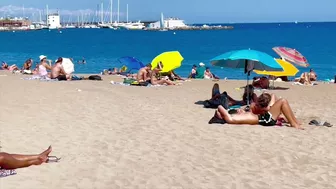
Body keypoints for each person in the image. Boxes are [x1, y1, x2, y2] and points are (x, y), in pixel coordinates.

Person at [209, 93, 303, 129]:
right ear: (221, 117)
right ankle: (294, 124)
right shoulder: (230, 119)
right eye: (219, 114)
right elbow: (220, 106)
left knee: (283, 101)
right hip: (265, 120)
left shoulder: (233, 118)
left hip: (264, 119)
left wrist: (239, 111)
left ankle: (295, 122)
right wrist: (220, 112)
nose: (219, 112)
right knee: (283, 101)